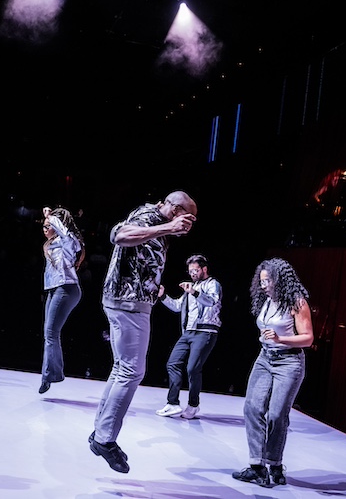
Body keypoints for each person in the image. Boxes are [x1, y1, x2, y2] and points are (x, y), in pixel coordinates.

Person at [89, 190, 198, 474]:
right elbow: (119, 235)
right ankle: (104, 439)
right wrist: (168, 227)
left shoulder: (154, 220)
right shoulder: (150, 216)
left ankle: (101, 434)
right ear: (175, 210)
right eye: (188, 218)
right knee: (131, 371)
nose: (189, 225)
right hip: (128, 303)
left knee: (123, 369)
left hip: (132, 303)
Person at [232, 257, 313, 487]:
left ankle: (275, 464)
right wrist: (269, 340)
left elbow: (308, 339)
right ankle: (257, 467)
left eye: (268, 281)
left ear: (280, 280)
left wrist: (280, 339)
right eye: (262, 281)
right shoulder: (265, 301)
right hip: (265, 359)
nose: (264, 285)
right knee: (252, 408)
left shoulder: (296, 302)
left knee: (276, 415)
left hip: (289, 362)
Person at [155, 254, 222, 419]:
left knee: (192, 368)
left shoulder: (213, 284)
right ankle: (172, 403)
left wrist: (194, 291)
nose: (192, 273)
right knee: (173, 363)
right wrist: (163, 296)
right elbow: (178, 307)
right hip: (188, 332)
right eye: (190, 270)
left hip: (206, 331)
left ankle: (193, 405)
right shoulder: (190, 288)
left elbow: (211, 301)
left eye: (195, 270)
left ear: (204, 269)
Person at [38, 206, 85, 394]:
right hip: (54, 289)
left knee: (51, 333)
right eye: (43, 226)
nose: (45, 229)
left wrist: (51, 216)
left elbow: (64, 230)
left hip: (67, 288)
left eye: (48, 226)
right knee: (48, 333)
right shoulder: (53, 243)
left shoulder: (68, 240)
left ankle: (51, 376)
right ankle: (50, 375)